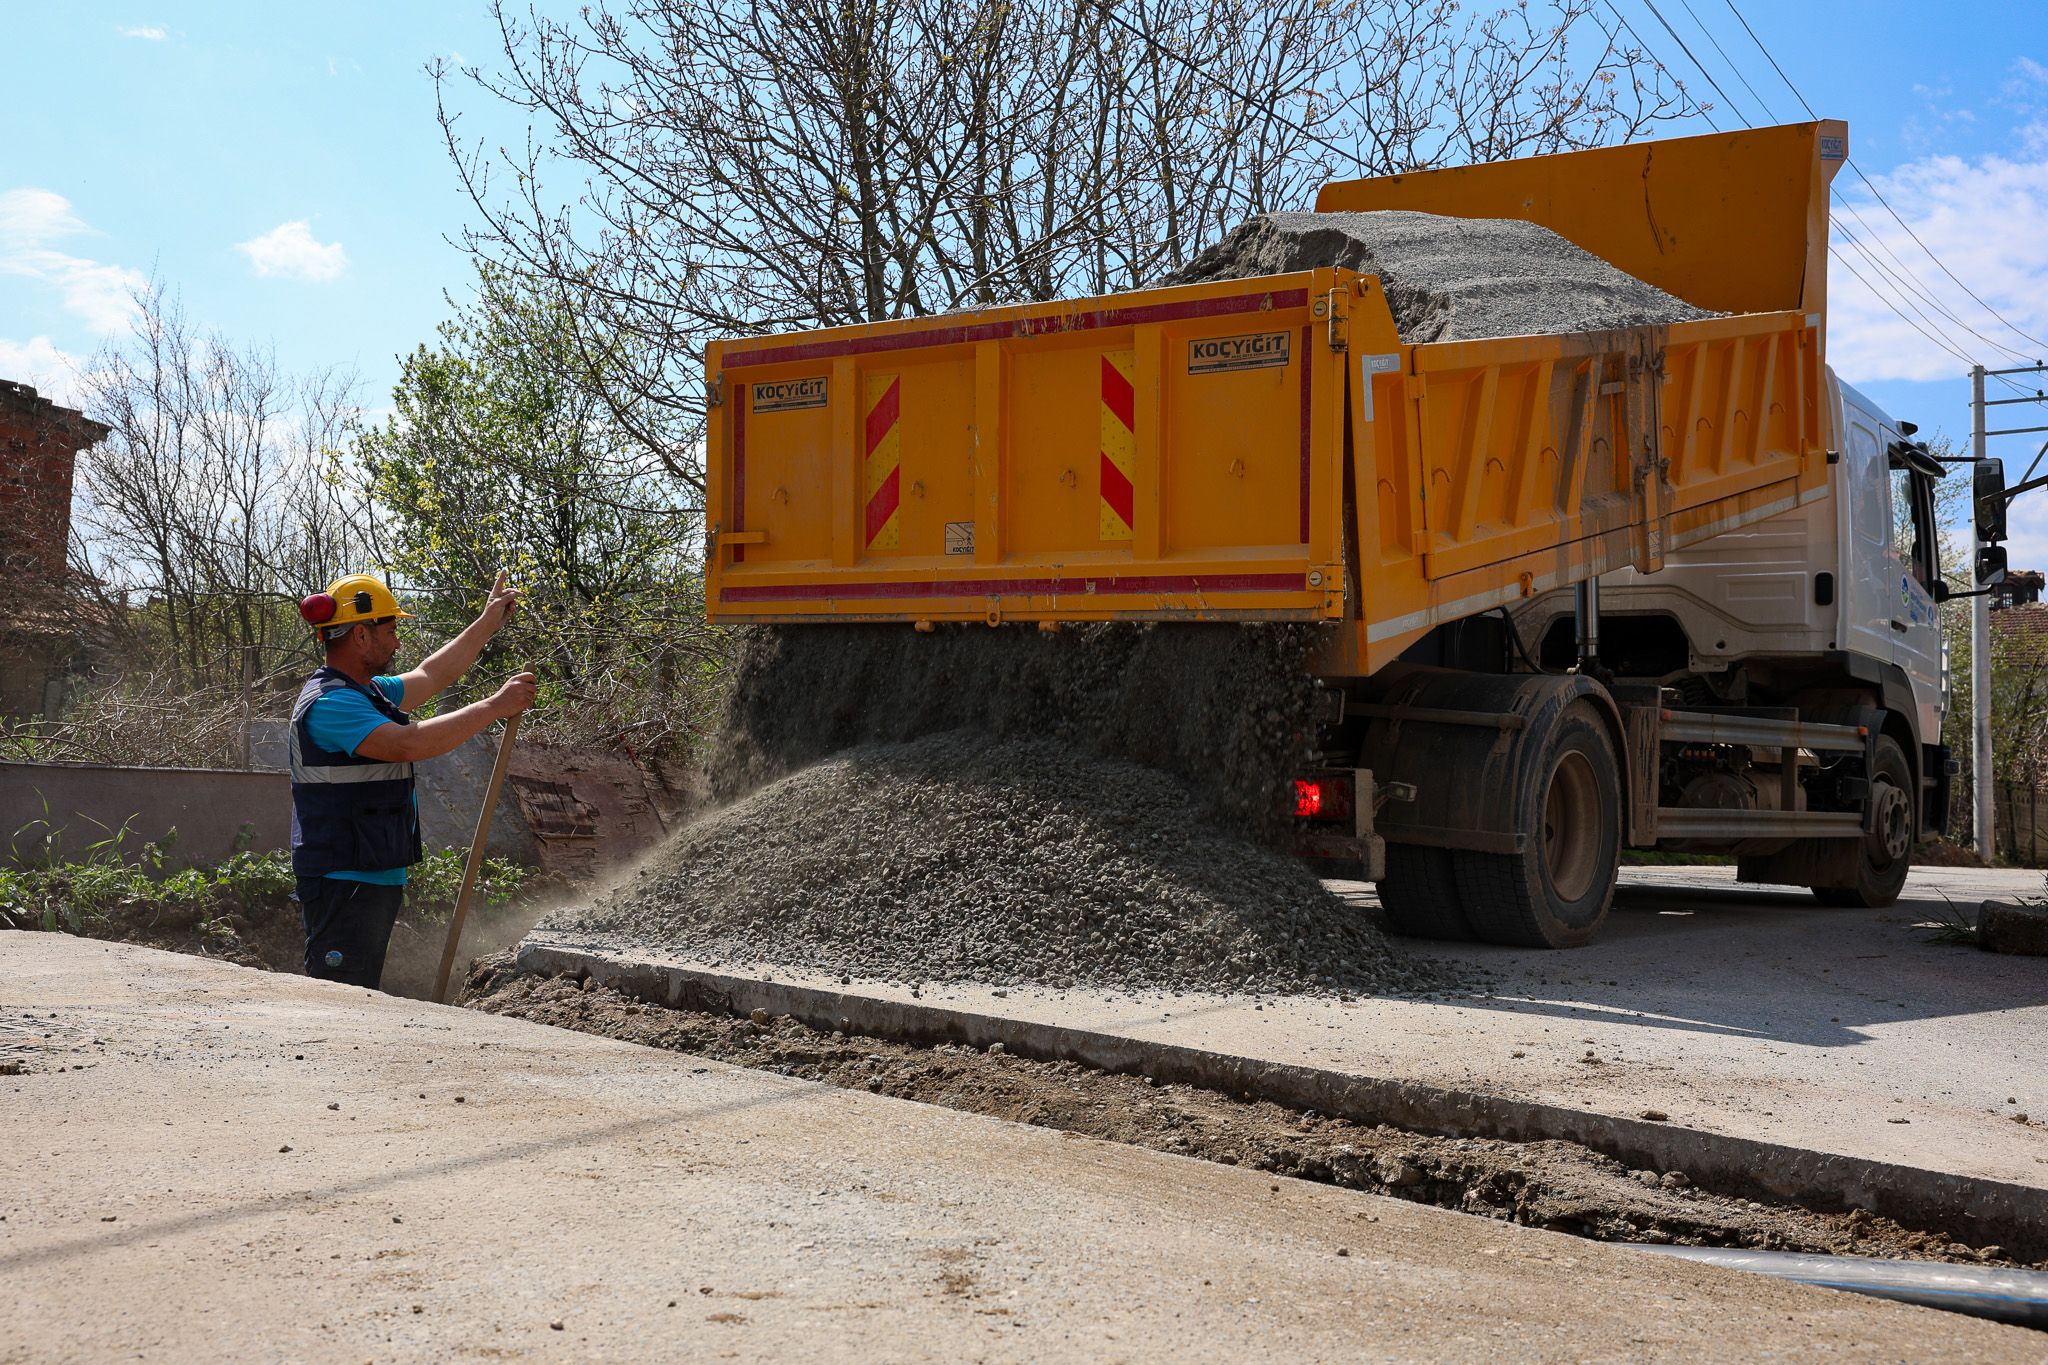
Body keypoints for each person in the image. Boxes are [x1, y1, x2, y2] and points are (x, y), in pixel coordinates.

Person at [289, 571, 535, 990]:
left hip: (369, 873)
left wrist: (487, 622)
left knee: (359, 996)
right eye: (391, 630)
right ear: (362, 636)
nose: (398, 642)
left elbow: (433, 674)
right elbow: (408, 744)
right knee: (342, 1001)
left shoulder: (368, 691)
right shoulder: (332, 703)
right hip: (342, 878)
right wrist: (494, 705)